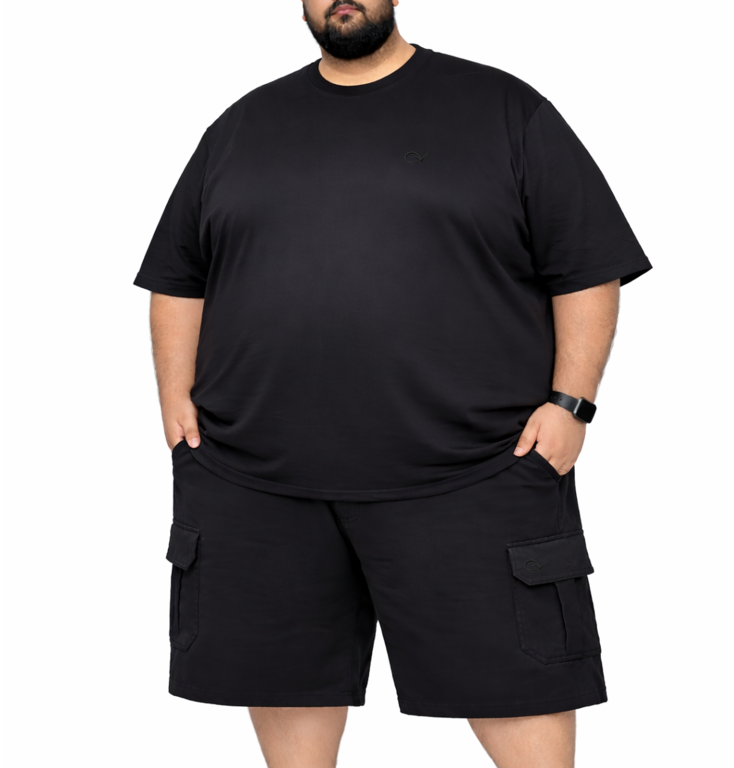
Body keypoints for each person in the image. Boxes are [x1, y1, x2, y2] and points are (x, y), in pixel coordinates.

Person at [133, 1, 652, 765]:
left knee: (521, 689)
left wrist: (570, 404)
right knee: (282, 690)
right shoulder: (241, 126)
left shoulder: (504, 109)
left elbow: (586, 264)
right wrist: (174, 401)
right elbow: (179, 277)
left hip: (474, 469)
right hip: (258, 477)